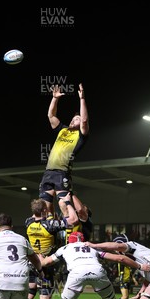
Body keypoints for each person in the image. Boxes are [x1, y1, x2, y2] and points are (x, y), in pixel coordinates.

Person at [6, 198, 74, 299]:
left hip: (31, 262)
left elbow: (37, 216)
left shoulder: (28, 222)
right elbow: (71, 221)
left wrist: (45, 209)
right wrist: (63, 206)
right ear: (44, 210)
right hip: (45, 265)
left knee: (30, 293)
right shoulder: (50, 225)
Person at [39, 83, 89, 223]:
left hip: (62, 173)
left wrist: (82, 98)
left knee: (63, 205)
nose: (74, 119)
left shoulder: (80, 136)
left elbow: (84, 120)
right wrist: (55, 98)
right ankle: (52, 231)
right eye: (73, 118)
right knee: (44, 207)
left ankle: (70, 232)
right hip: (48, 172)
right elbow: (51, 115)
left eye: (77, 119)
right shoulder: (63, 130)